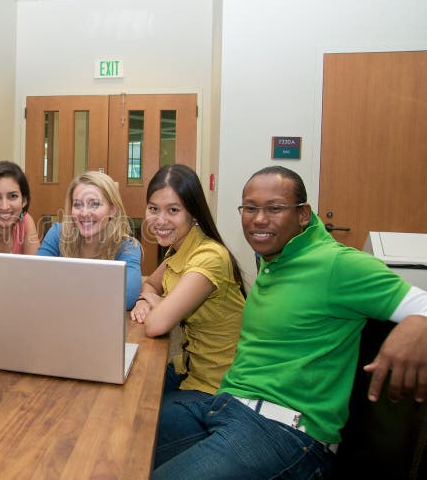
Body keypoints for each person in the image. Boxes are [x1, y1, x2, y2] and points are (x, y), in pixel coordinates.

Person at [153, 166, 427, 479]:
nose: (258, 219)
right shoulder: (274, 261)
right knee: (134, 435)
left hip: (285, 431)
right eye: (250, 208)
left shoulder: (336, 262)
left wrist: (418, 323)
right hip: (226, 406)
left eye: (275, 208)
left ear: (303, 215)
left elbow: (422, 302)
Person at [130, 164, 245, 402]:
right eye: (153, 208)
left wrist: (160, 304)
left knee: (136, 419)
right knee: (127, 391)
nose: (160, 220)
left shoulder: (209, 257)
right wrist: (146, 299)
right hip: (188, 369)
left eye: (173, 210)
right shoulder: (179, 248)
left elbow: (155, 325)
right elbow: (150, 284)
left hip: (217, 386)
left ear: (193, 214)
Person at [37, 171, 141, 310]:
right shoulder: (58, 233)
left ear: (112, 210)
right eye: (78, 205)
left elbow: (126, 298)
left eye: (94, 204)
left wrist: (60, 288)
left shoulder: (128, 247)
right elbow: (36, 281)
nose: (84, 213)